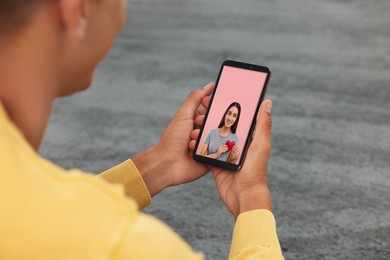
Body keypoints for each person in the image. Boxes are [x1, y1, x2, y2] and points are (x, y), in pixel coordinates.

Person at [0, 0, 284, 259]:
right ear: (77, 9)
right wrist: (251, 197)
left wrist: (160, 164)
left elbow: (43, 217)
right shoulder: (125, 247)